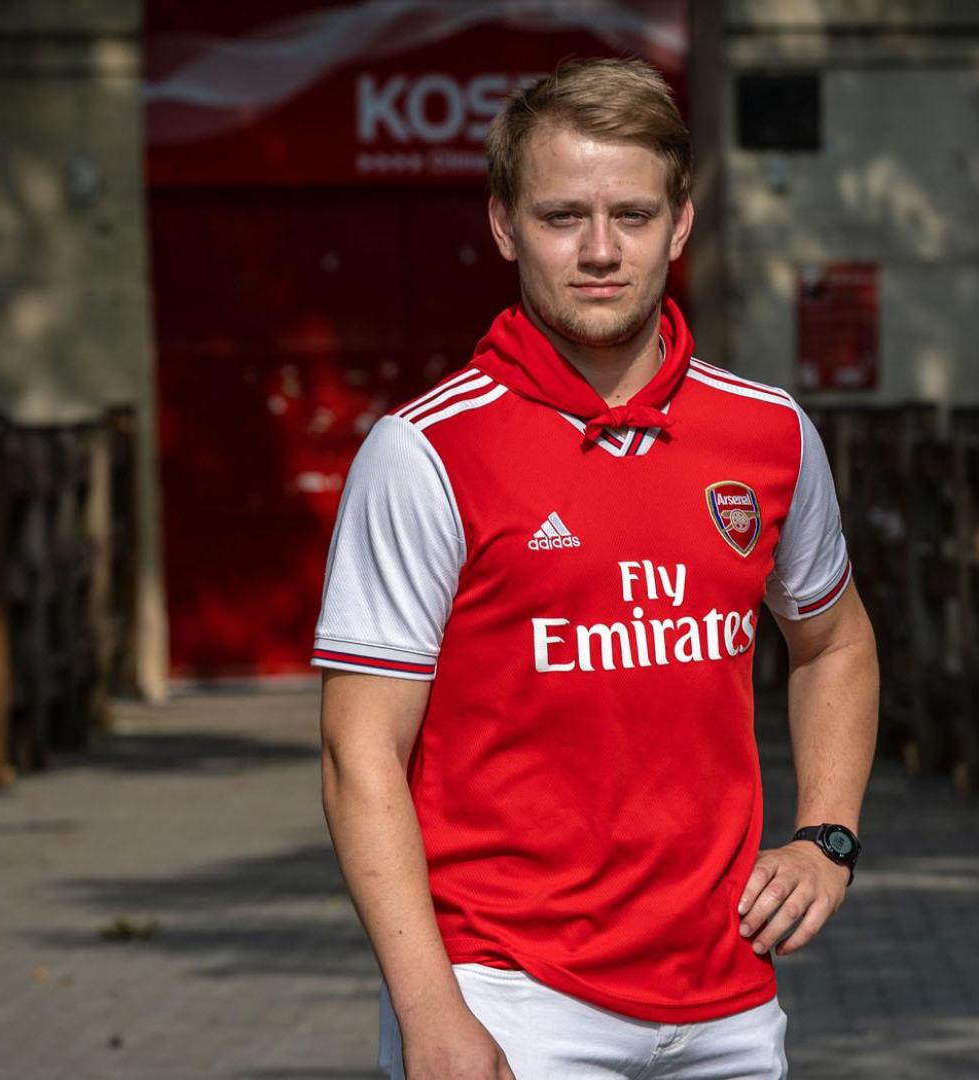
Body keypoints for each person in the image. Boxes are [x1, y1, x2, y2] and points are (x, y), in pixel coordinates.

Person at [315, 57, 878, 1080]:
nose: (602, 251)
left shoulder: (771, 433)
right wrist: (429, 1009)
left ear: (681, 223)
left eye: (632, 213)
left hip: (732, 1000)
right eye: (563, 216)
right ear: (503, 226)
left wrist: (826, 836)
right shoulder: (426, 452)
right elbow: (360, 753)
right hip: (510, 996)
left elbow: (833, 641)